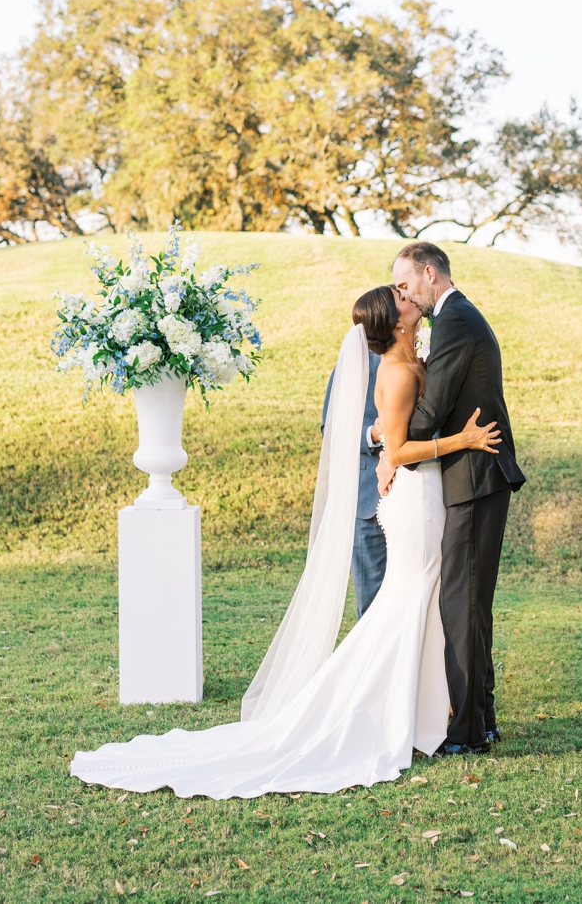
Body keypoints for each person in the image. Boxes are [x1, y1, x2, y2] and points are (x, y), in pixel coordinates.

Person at [70, 286, 500, 797]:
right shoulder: (400, 371)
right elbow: (402, 447)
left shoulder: (414, 357)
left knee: (420, 599)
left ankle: (421, 713)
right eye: (402, 297)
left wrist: (394, 451)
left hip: (421, 493)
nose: (411, 297)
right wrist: (464, 441)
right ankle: (374, 710)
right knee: (408, 600)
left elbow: (396, 434)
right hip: (415, 498)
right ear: (398, 320)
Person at [390, 243, 525, 755]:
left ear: (429, 273)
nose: (404, 294)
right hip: (474, 474)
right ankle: (483, 719)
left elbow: (433, 407)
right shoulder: (460, 316)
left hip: (474, 475)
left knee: (461, 603)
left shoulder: (454, 322)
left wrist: (392, 442)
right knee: (470, 603)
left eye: (405, 284)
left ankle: (467, 733)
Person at [321, 319, 386, 617]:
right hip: (366, 501)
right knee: (371, 605)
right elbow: (331, 428)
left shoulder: (424, 351)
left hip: (416, 498)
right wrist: (373, 435)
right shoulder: (358, 357)